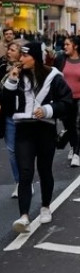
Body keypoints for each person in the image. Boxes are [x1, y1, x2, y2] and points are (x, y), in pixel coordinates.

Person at [3, 43, 71, 233]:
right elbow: (7, 108)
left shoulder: (53, 77)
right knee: (25, 172)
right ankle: (24, 216)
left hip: (45, 129)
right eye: (21, 56)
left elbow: (66, 102)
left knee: (44, 170)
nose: (21, 60)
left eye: (25, 56)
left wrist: (48, 110)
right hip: (23, 129)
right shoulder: (15, 76)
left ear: (35, 57)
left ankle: (45, 206)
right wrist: (11, 82)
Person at [54, 35, 80, 167]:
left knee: (77, 124)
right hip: (64, 99)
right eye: (64, 45)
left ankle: (76, 154)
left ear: (75, 46)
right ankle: (72, 145)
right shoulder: (60, 60)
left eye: (67, 44)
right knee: (68, 125)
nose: (64, 47)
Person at [1, 41, 22, 197]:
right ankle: (19, 182)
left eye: (13, 50)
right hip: (8, 115)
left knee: (26, 150)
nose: (9, 52)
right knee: (12, 151)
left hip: (24, 115)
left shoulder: (27, 69)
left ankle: (26, 180)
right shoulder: (2, 68)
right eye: (9, 49)